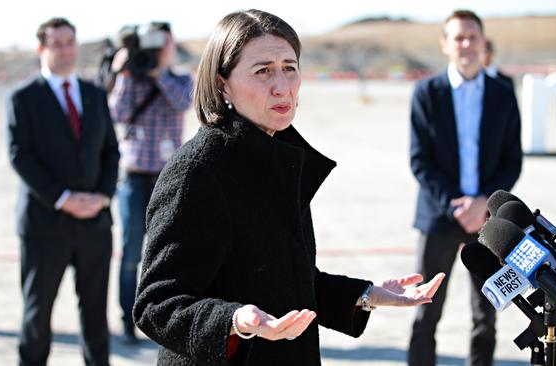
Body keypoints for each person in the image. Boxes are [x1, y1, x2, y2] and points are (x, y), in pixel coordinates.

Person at [132, 9, 445, 365]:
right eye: (263, 71)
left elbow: (286, 281)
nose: (282, 86)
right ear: (222, 82)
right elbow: (156, 304)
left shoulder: (278, 155)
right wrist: (234, 321)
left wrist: (367, 294)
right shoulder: (197, 171)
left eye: (289, 67)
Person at [408, 10, 522, 366]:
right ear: (445, 44)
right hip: (440, 216)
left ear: (484, 43)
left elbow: (512, 160)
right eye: (458, 37)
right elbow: (419, 160)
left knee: (486, 315)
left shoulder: (503, 93)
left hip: (488, 222)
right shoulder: (427, 92)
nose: (466, 44)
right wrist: (458, 206)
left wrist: (482, 206)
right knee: (425, 311)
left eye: (473, 36)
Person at [6, 17, 119, 366]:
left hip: (94, 224)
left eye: (70, 41)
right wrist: (63, 199)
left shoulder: (95, 94)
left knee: (96, 318)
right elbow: (20, 155)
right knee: (37, 316)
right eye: (57, 43)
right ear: (42, 49)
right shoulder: (23, 98)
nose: (66, 49)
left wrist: (102, 195)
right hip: (45, 223)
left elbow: (110, 151)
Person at [107, 21, 193, 344]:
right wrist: (125, 74)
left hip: (168, 178)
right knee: (131, 252)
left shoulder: (180, 78)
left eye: (165, 43)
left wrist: (159, 72)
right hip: (132, 177)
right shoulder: (132, 78)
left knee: (169, 252)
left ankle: (166, 317)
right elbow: (116, 113)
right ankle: (127, 318)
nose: (159, 50)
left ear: (171, 46)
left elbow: (183, 102)